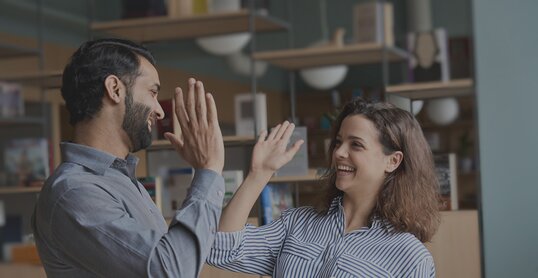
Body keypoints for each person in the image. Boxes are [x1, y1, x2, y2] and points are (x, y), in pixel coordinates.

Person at [32, 38, 226, 277]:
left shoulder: (123, 181)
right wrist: (208, 171)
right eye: (152, 92)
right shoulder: (74, 192)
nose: (159, 110)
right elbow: (169, 272)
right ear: (115, 89)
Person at [207, 97, 441, 277]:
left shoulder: (410, 257)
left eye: (356, 145)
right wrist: (258, 175)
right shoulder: (297, 224)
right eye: (338, 142)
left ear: (393, 161)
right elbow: (220, 249)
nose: (339, 152)